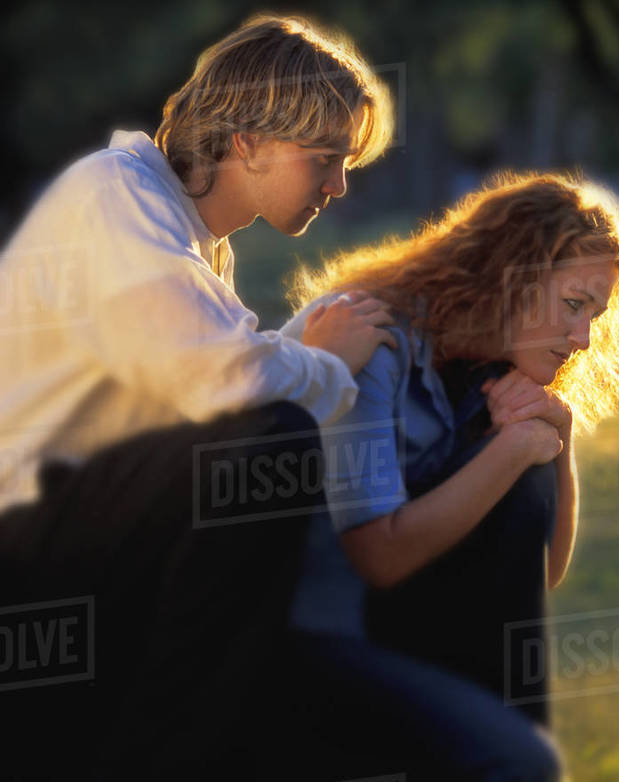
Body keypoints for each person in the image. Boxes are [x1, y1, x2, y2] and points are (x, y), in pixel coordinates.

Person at [0, 14, 397, 779]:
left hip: (79, 512)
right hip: (22, 522)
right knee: (270, 440)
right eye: (325, 158)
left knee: (279, 448)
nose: (339, 185)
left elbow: (216, 370)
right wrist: (327, 364)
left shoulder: (197, 244)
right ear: (247, 140)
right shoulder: (115, 194)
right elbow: (220, 380)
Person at [273, 171, 619, 777]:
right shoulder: (370, 339)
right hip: (292, 639)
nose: (584, 339)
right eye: (573, 306)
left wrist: (556, 437)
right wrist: (511, 451)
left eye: (594, 315)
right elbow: (380, 555)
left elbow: (543, 570)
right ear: (510, 277)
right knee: (517, 759)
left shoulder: (484, 364)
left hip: (389, 626)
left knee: (522, 476)